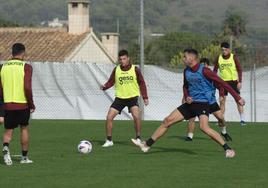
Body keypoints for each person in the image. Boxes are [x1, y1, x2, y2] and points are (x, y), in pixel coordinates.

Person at [132, 49, 245, 158]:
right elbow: (185, 86)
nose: (183, 59)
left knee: (204, 128)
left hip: (202, 104)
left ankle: (228, 149)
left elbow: (222, 83)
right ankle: (146, 145)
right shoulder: (186, 71)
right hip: (190, 104)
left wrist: (237, 97)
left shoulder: (205, 70)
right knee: (167, 120)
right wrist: (187, 96)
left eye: (185, 57)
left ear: (192, 58)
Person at [100, 49, 149, 147]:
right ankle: (109, 140)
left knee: (136, 116)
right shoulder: (116, 69)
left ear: (128, 59)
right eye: (120, 59)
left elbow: (142, 83)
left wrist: (145, 97)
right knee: (109, 117)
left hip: (132, 98)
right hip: (120, 99)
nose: (122, 61)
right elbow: (111, 81)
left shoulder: (135, 69)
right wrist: (105, 86)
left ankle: (138, 138)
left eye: (124, 59)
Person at [0, 43, 35, 165]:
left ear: (12, 53)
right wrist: (31, 104)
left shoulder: (3, 67)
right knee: (24, 128)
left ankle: (5, 146)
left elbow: (0, 89)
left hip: (8, 104)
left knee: (8, 131)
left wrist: (2, 106)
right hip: (23, 104)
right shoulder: (26, 67)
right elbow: (27, 87)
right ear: (23, 53)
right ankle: (24, 158)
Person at [185, 58, 232, 141]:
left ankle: (224, 132)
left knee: (221, 118)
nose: (203, 66)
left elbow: (221, 85)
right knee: (192, 118)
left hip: (211, 102)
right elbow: (187, 87)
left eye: (204, 65)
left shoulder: (211, 75)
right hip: (198, 101)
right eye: (201, 64)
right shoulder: (196, 75)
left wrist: (221, 95)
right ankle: (189, 136)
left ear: (207, 65)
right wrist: (185, 97)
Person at [213, 42, 245, 126]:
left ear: (229, 50)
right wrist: (214, 80)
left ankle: (242, 119)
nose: (224, 51)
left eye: (225, 50)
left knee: (238, 100)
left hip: (233, 82)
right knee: (222, 101)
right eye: (222, 50)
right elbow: (215, 70)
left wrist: (240, 82)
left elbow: (239, 69)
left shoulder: (233, 57)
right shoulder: (219, 58)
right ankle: (221, 119)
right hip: (222, 83)